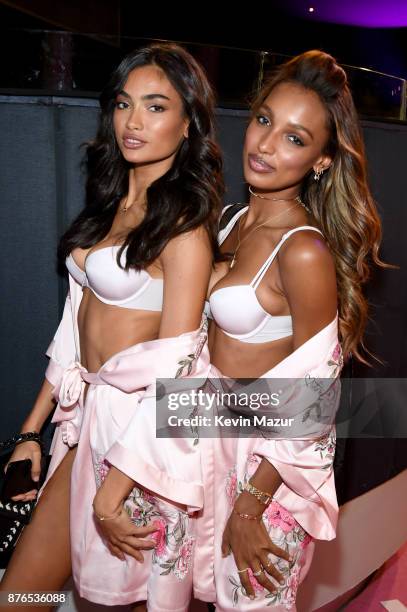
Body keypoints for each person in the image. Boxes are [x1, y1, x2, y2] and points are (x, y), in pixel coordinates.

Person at [0, 42, 223, 612]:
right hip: (83, 428)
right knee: (20, 595)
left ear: (188, 121)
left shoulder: (184, 229)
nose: (133, 121)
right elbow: (71, 334)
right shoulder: (108, 205)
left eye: (155, 106)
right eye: (124, 104)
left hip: (137, 446)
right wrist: (31, 432)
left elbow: (180, 374)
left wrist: (113, 493)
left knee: (113, 601)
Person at [197, 50, 385, 611]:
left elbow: (318, 390)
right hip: (208, 445)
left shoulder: (303, 249)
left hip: (268, 471)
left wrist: (254, 501)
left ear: (323, 160)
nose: (264, 144)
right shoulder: (232, 219)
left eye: (294, 138)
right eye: (263, 120)